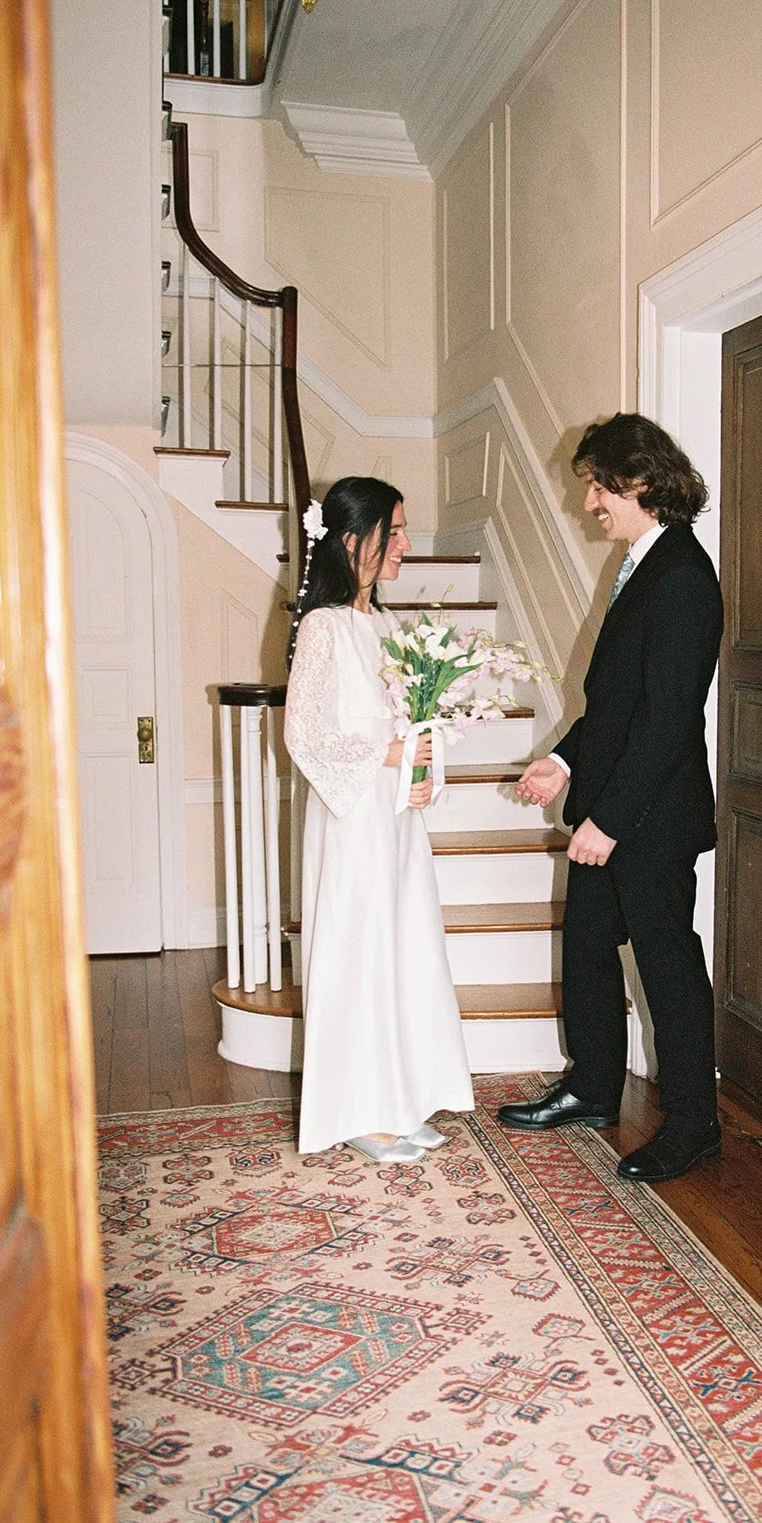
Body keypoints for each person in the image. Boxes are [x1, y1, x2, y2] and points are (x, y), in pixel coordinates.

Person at [497, 414, 723, 1184]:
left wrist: (610, 821)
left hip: (650, 820)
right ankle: (593, 1088)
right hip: (614, 805)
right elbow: (617, 705)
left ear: (644, 483)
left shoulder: (684, 577)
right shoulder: (641, 564)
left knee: (668, 968)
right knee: (589, 949)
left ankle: (695, 1124)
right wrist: (562, 762)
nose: (590, 501)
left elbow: (667, 723)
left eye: (600, 485)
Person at [284, 476, 474, 1161]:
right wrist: (388, 753)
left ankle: (402, 1098)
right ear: (350, 538)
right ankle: (358, 1109)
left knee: (404, 952)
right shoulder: (323, 626)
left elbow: (414, 723)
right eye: (392, 531)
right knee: (357, 955)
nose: (406, 544)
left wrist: (425, 768)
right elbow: (303, 735)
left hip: (394, 822)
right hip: (351, 821)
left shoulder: (387, 626)